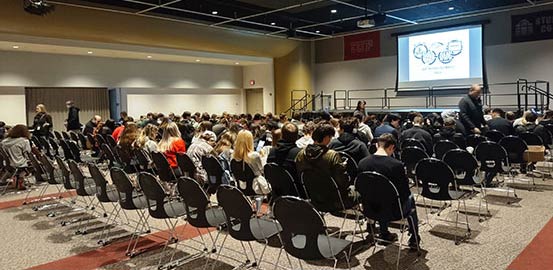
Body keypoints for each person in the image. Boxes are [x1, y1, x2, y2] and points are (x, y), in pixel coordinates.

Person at [357, 134, 420, 249]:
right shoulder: (396, 165)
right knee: (410, 199)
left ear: (377, 145)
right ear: (391, 147)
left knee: (379, 196)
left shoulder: (362, 163)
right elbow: (404, 192)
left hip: (370, 209)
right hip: (394, 212)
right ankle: (415, 239)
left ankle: (384, 233)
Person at [296, 122, 351, 206]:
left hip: (312, 195)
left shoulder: (300, 154)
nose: (331, 139)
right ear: (326, 138)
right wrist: (342, 167)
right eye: (330, 137)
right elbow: (342, 182)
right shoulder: (332, 155)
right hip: (333, 199)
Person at [233, 130, 268, 194]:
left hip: (240, 188)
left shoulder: (233, 156)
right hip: (255, 189)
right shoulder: (254, 156)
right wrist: (263, 156)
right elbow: (263, 171)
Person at [1, 125, 32, 190]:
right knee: (33, 165)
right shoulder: (24, 141)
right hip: (20, 163)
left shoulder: (4, 142)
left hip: (8, 164)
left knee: (14, 168)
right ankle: (21, 179)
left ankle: (8, 179)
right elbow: (28, 153)